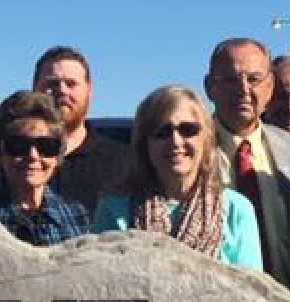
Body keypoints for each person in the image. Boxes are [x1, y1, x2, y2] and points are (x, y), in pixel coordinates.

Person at [93, 85, 261, 269]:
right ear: (144, 143)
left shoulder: (236, 210)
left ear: (206, 139)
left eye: (188, 129)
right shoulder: (114, 209)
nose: (175, 141)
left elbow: (249, 291)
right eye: (162, 132)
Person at [205, 37, 290, 287]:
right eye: (230, 79)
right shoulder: (189, 151)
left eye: (254, 79)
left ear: (269, 87)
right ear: (210, 87)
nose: (243, 90)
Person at [0, 47, 124, 211]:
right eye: (52, 84)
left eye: (71, 84)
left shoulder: (122, 163)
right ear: (34, 87)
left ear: (89, 91)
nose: (62, 90)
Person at [0, 91, 90, 246]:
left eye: (47, 146)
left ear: (58, 155)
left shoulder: (76, 215)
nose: (33, 156)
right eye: (18, 145)